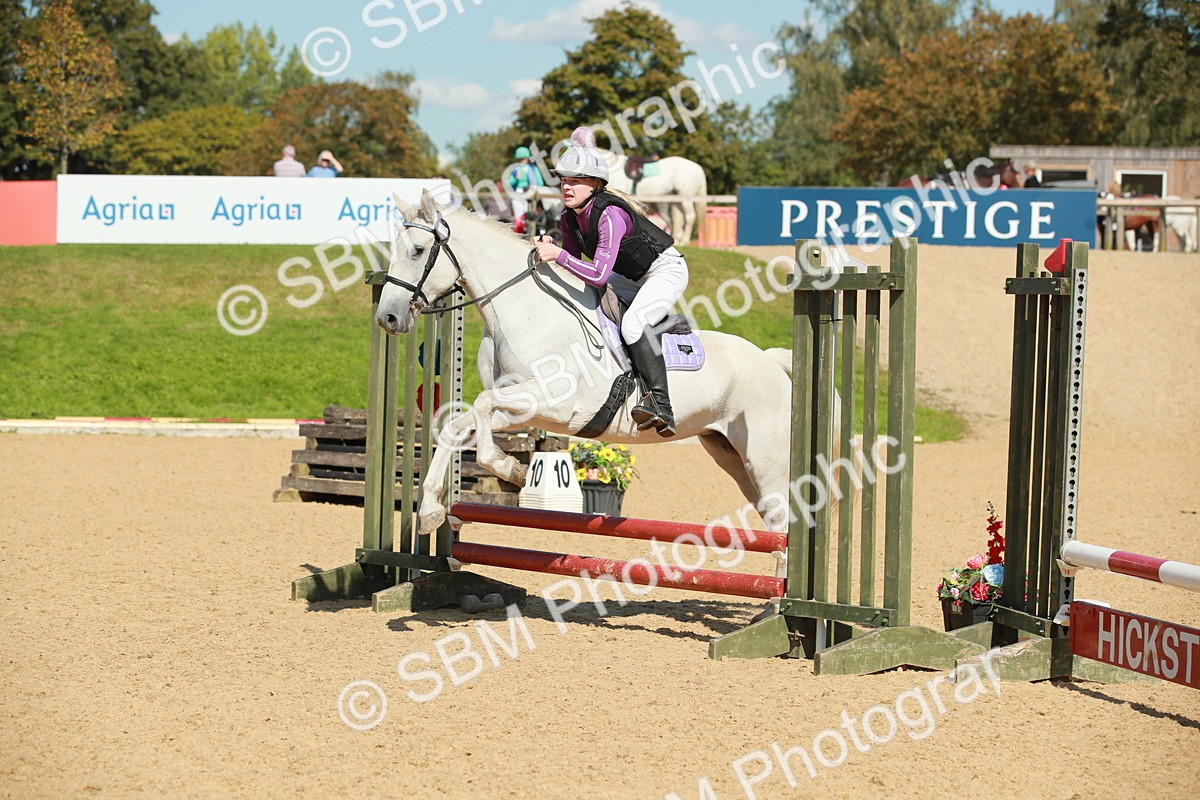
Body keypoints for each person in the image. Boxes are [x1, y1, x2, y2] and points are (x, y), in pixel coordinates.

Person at [532, 126, 687, 437]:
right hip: (629, 274)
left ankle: (661, 405)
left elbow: (598, 274)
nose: (566, 187)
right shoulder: (568, 217)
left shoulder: (610, 214)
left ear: (595, 184)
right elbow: (574, 266)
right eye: (563, 180)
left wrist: (558, 255)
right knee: (589, 303)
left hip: (665, 270)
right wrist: (550, 248)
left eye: (575, 181)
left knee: (633, 324)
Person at [506, 146, 545, 222]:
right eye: (519, 159)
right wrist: (515, 177)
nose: (521, 161)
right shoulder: (515, 170)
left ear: (527, 159)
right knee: (517, 198)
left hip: (531, 191)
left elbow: (540, 182)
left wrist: (533, 188)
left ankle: (524, 218)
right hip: (519, 192)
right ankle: (519, 220)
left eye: (523, 159)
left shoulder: (533, 168)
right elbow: (510, 183)